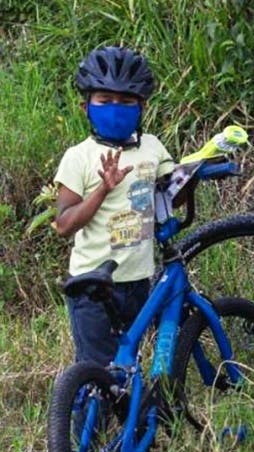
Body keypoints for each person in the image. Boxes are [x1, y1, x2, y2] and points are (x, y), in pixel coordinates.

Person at [53, 46, 175, 366]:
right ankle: (81, 417)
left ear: (141, 106)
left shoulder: (152, 148)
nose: (115, 109)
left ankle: (130, 416)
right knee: (95, 368)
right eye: (105, 101)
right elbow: (64, 224)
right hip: (92, 284)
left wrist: (200, 167)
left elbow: (172, 192)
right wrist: (103, 190)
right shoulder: (78, 157)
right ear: (86, 107)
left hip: (137, 281)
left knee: (129, 363)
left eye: (126, 102)